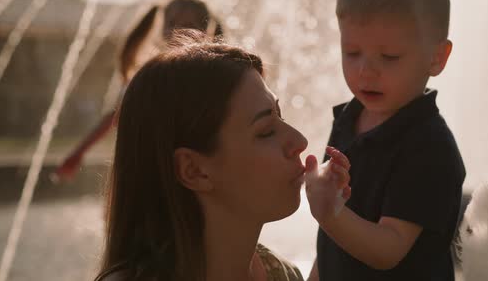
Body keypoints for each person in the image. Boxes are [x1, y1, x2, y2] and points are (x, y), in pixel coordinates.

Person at [94, 29, 351, 281]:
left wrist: (341, 227)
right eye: (265, 131)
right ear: (194, 170)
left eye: (280, 115)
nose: (299, 141)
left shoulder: (281, 274)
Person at [305, 0, 466, 280]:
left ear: (436, 57)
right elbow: (332, 243)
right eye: (352, 53)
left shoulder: (428, 146)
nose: (366, 71)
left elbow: (388, 249)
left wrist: (331, 214)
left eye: (389, 57)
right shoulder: (350, 119)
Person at [55, 0, 223, 179]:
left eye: (188, 24)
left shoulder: (210, 76)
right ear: (161, 28)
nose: (177, 31)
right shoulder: (152, 73)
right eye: (172, 23)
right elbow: (117, 114)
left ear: (205, 30)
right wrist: (79, 152)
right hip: (154, 168)